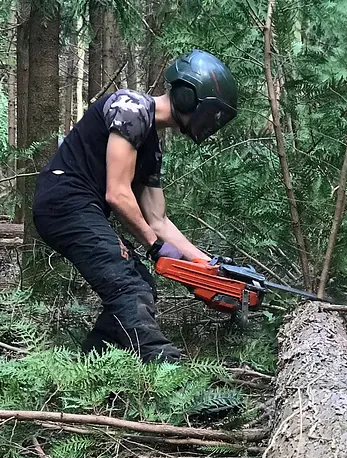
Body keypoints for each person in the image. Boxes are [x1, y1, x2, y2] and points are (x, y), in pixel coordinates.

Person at [31, 50, 238, 363]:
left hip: (79, 207)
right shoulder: (130, 108)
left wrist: (209, 268)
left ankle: (87, 368)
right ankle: (170, 375)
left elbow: (159, 220)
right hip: (63, 202)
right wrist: (156, 248)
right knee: (128, 287)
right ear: (188, 96)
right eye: (210, 114)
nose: (209, 124)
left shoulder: (150, 147)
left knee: (140, 284)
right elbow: (117, 193)